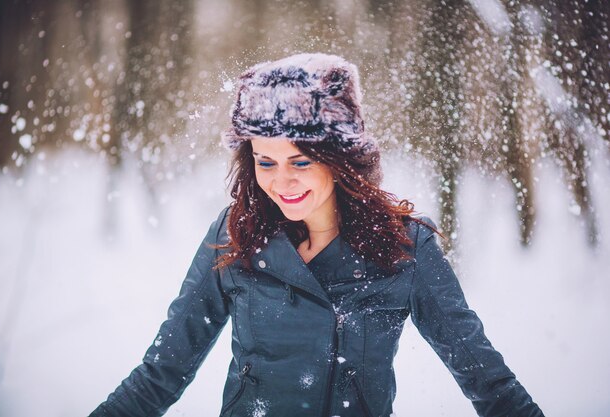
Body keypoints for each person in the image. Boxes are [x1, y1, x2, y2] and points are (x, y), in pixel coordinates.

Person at [89, 53, 544, 417]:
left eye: (300, 162)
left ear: (339, 159)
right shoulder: (236, 235)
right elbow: (161, 374)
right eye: (266, 162)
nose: (281, 181)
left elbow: (487, 382)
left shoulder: (404, 247)